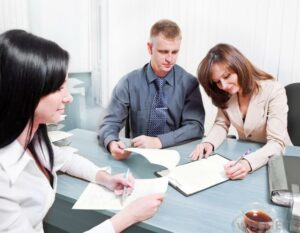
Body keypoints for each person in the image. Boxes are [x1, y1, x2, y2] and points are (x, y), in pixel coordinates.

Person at [0, 29, 164, 233]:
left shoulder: (32, 138)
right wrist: (128, 216)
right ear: (25, 92)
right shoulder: (3, 178)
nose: (68, 97)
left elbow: (64, 159)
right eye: (59, 88)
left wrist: (106, 178)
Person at [98, 19, 205, 160]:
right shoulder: (129, 82)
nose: (170, 59)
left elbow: (195, 126)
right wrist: (111, 142)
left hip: (175, 155)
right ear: (150, 48)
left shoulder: (189, 83)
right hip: (137, 157)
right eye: (163, 51)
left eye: (175, 52)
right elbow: (110, 123)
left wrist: (159, 141)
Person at [190, 43, 291, 180]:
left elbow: (277, 143)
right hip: (245, 154)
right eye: (217, 82)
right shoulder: (225, 94)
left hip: (276, 159)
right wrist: (209, 143)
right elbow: (221, 123)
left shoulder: (273, 90)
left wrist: (248, 163)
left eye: (226, 76)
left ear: (239, 66)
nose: (223, 86)